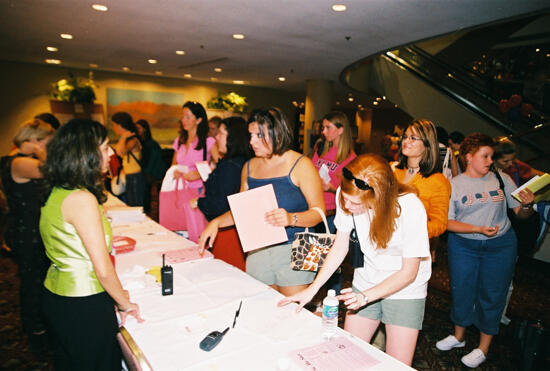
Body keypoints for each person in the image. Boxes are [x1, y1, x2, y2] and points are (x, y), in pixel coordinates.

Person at [278, 154, 431, 366]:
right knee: (347, 355)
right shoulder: (347, 193)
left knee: (398, 365)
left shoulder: (410, 208)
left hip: (405, 289)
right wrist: (313, 288)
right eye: (345, 200)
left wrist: (366, 297)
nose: (347, 206)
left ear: (379, 196)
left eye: (355, 203)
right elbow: (340, 247)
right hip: (367, 278)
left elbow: (409, 273)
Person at [40, 119, 143, 370]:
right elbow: (104, 270)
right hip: (83, 302)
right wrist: (125, 304)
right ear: (86, 153)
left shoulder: (58, 189)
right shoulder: (81, 198)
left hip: (56, 293)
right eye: (106, 147)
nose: (111, 153)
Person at [198, 108, 324, 296]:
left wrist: (291, 219)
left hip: (298, 246)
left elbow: (319, 213)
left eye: (259, 135)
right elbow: (242, 211)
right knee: (263, 309)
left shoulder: (301, 164)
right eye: (251, 135)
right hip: (258, 249)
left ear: (277, 133)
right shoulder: (249, 167)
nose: (252, 142)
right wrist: (216, 222)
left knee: (295, 312)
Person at [436, 133, 535, 368]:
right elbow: (447, 222)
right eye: (486, 156)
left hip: (501, 245)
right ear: (469, 157)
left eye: (491, 156)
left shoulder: (502, 179)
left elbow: (521, 214)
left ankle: (483, 347)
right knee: (462, 291)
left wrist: (528, 204)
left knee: (493, 294)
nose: (491, 161)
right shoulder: (453, 184)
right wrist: (478, 229)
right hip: (464, 245)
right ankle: (459, 337)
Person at [0, 119, 54, 350]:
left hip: (31, 226)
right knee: (32, 281)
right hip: (26, 229)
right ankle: (36, 332)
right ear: (33, 141)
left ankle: (40, 323)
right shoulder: (20, 162)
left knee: (37, 277)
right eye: (45, 142)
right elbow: (54, 172)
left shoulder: (21, 159)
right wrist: (44, 153)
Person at [196, 116, 252, 270]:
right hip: (234, 229)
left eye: (221, 134)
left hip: (228, 230)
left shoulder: (231, 166)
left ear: (232, 138)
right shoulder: (240, 162)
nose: (216, 137)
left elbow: (221, 204)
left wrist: (199, 202)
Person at [393, 119, 451, 264]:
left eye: (413, 138)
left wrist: (409, 230)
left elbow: (440, 223)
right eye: (405, 137)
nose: (406, 141)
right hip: (385, 246)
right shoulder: (392, 171)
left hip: (413, 251)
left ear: (427, 144)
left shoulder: (438, 182)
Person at [166, 101, 219, 242]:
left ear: (199, 120)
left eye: (188, 117)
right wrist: (175, 171)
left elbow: (221, 166)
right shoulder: (180, 141)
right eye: (183, 116)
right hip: (180, 191)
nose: (184, 120)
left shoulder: (208, 141)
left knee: (196, 229)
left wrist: (200, 173)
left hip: (198, 193)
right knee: (180, 230)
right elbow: (174, 165)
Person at [112, 112, 145, 207]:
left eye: (114, 125)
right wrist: (123, 137)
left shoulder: (133, 140)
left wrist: (123, 137)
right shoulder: (126, 139)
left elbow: (120, 151)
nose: (113, 128)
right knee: (130, 204)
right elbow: (118, 150)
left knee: (135, 205)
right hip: (129, 176)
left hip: (135, 177)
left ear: (120, 125)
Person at [135, 119, 166, 214]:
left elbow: (154, 160)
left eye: (139, 128)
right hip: (143, 171)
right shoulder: (139, 142)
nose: (137, 130)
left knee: (146, 192)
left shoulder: (151, 144)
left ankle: (146, 211)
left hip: (150, 172)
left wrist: (147, 172)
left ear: (145, 129)